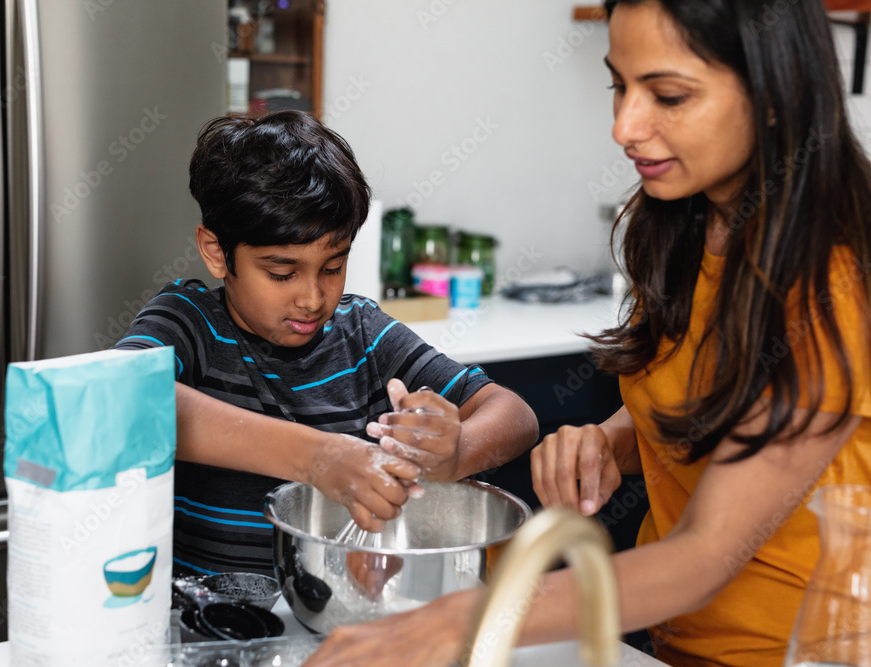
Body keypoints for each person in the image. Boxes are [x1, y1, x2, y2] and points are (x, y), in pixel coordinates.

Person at [304, 1, 871, 665]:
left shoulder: (831, 282)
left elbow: (704, 555)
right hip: (675, 643)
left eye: (667, 94)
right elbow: (713, 412)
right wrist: (608, 440)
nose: (624, 126)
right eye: (619, 86)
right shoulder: (688, 223)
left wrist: (459, 618)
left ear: (777, 94)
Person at [113, 110, 539, 577]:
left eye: (333, 267)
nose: (313, 298)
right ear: (217, 253)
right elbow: (122, 397)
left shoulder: (361, 332)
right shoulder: (189, 323)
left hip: (338, 615)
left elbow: (515, 415)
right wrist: (320, 458)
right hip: (211, 627)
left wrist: (454, 452)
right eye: (282, 273)